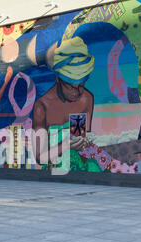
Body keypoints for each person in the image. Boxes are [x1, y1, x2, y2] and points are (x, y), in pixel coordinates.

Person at [32, 36, 101, 172]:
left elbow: (80, 140)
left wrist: (83, 143)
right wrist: (65, 145)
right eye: (71, 86)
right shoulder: (43, 106)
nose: (78, 92)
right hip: (54, 168)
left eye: (81, 85)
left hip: (77, 165)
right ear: (58, 79)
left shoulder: (85, 99)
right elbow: (40, 157)